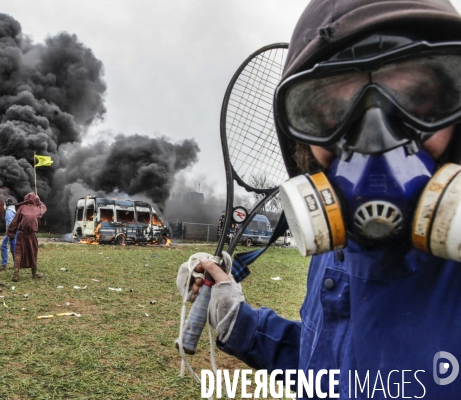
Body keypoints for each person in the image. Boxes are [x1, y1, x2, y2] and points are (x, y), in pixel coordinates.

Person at [187, 0, 461, 397]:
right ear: (301, 140)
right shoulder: (332, 251)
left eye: (417, 97)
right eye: (333, 110)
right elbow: (334, 371)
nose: (375, 139)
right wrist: (240, 323)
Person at [6, 192, 47, 282]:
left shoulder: (21, 208)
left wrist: (10, 233)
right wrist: (39, 200)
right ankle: (34, 273)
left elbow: (14, 222)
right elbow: (44, 208)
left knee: (18, 253)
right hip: (31, 236)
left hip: (22, 235)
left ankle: (16, 274)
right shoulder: (37, 209)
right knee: (33, 253)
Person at [0, 198, 17, 271]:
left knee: (3, 246)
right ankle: (16, 265)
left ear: (7, 204)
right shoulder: (14, 211)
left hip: (11, 232)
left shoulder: (8, 211)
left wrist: (8, 231)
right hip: (15, 232)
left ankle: (3, 265)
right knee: (14, 248)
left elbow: (10, 223)